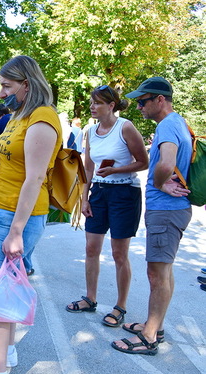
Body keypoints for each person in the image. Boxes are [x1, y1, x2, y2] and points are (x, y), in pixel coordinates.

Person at [0, 55, 62, 374]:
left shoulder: (43, 119)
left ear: (27, 84)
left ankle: (1, 371)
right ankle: (3, 350)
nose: (2, 91)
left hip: (15, 216)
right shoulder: (19, 113)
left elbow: (35, 178)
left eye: (7, 85)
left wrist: (17, 232)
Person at [111, 77, 192, 355]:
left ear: (160, 100)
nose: (139, 106)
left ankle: (148, 337)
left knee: (156, 274)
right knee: (163, 271)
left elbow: (167, 162)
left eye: (143, 101)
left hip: (166, 211)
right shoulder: (176, 122)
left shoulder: (168, 125)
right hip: (172, 211)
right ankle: (155, 325)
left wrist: (160, 183)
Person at [65, 85, 148, 329]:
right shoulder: (90, 130)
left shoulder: (126, 127)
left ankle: (120, 306)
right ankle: (90, 298)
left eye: (98, 102)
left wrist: (116, 170)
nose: (92, 106)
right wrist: (85, 197)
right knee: (91, 248)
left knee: (119, 253)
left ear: (111, 106)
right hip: (99, 192)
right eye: (92, 102)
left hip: (124, 192)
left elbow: (143, 162)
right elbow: (88, 167)